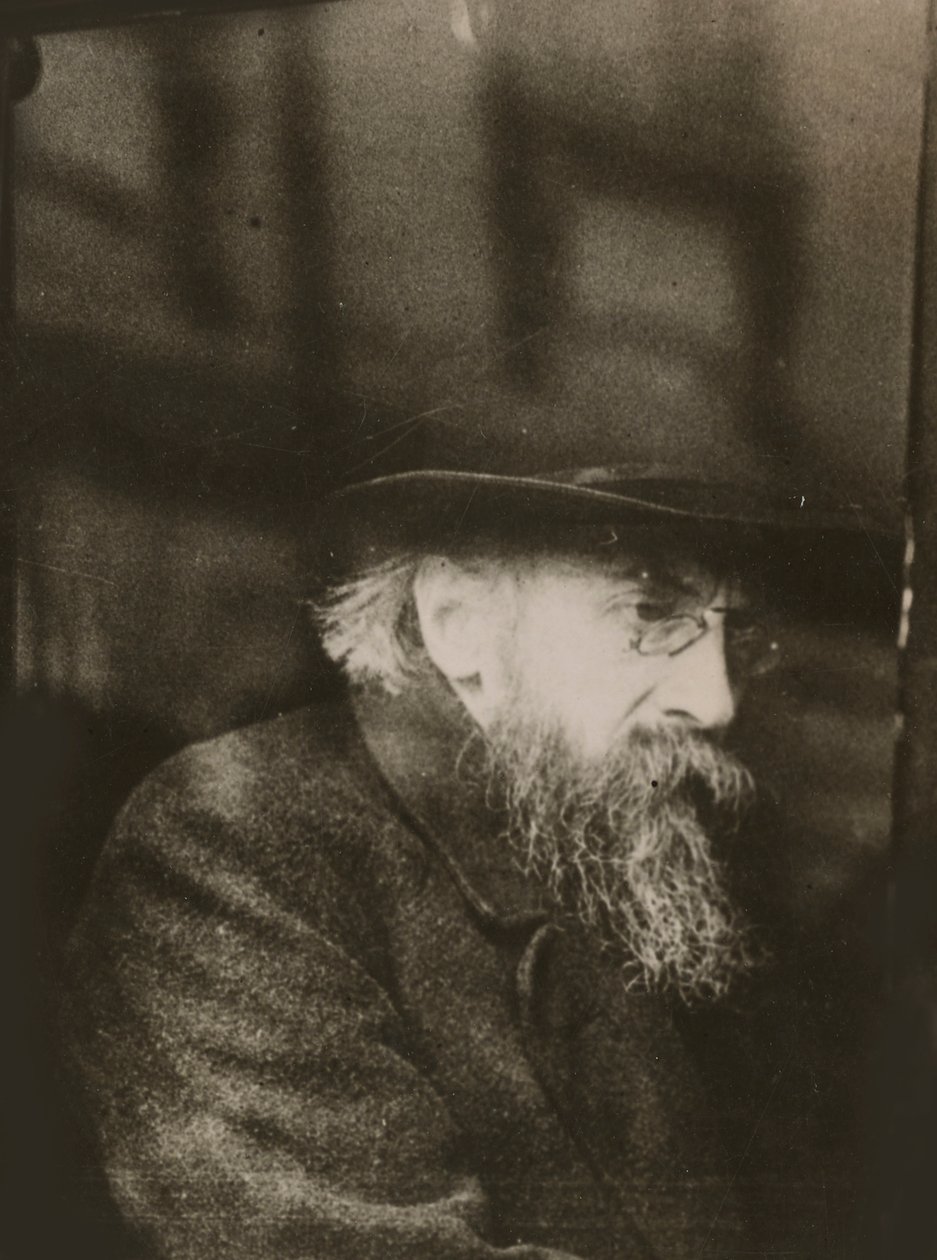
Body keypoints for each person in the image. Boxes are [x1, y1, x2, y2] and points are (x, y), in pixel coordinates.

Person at [61, 460, 895, 1260]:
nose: (714, 701)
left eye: (734, 631)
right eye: (649, 611)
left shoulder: (655, 845)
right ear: (458, 623)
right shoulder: (236, 841)